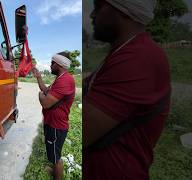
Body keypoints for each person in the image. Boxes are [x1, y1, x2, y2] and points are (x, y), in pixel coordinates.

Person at [84, 0, 171, 179]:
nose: (92, 15)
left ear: (124, 11)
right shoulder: (125, 51)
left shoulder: (138, 58)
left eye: (99, 7)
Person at [32, 51, 75, 180]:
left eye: (52, 63)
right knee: (53, 153)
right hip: (51, 123)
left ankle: (57, 175)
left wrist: (40, 96)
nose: (50, 66)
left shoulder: (66, 80)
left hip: (56, 127)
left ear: (59, 64)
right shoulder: (59, 79)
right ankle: (54, 169)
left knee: (56, 157)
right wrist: (39, 77)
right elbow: (46, 91)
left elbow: (45, 102)